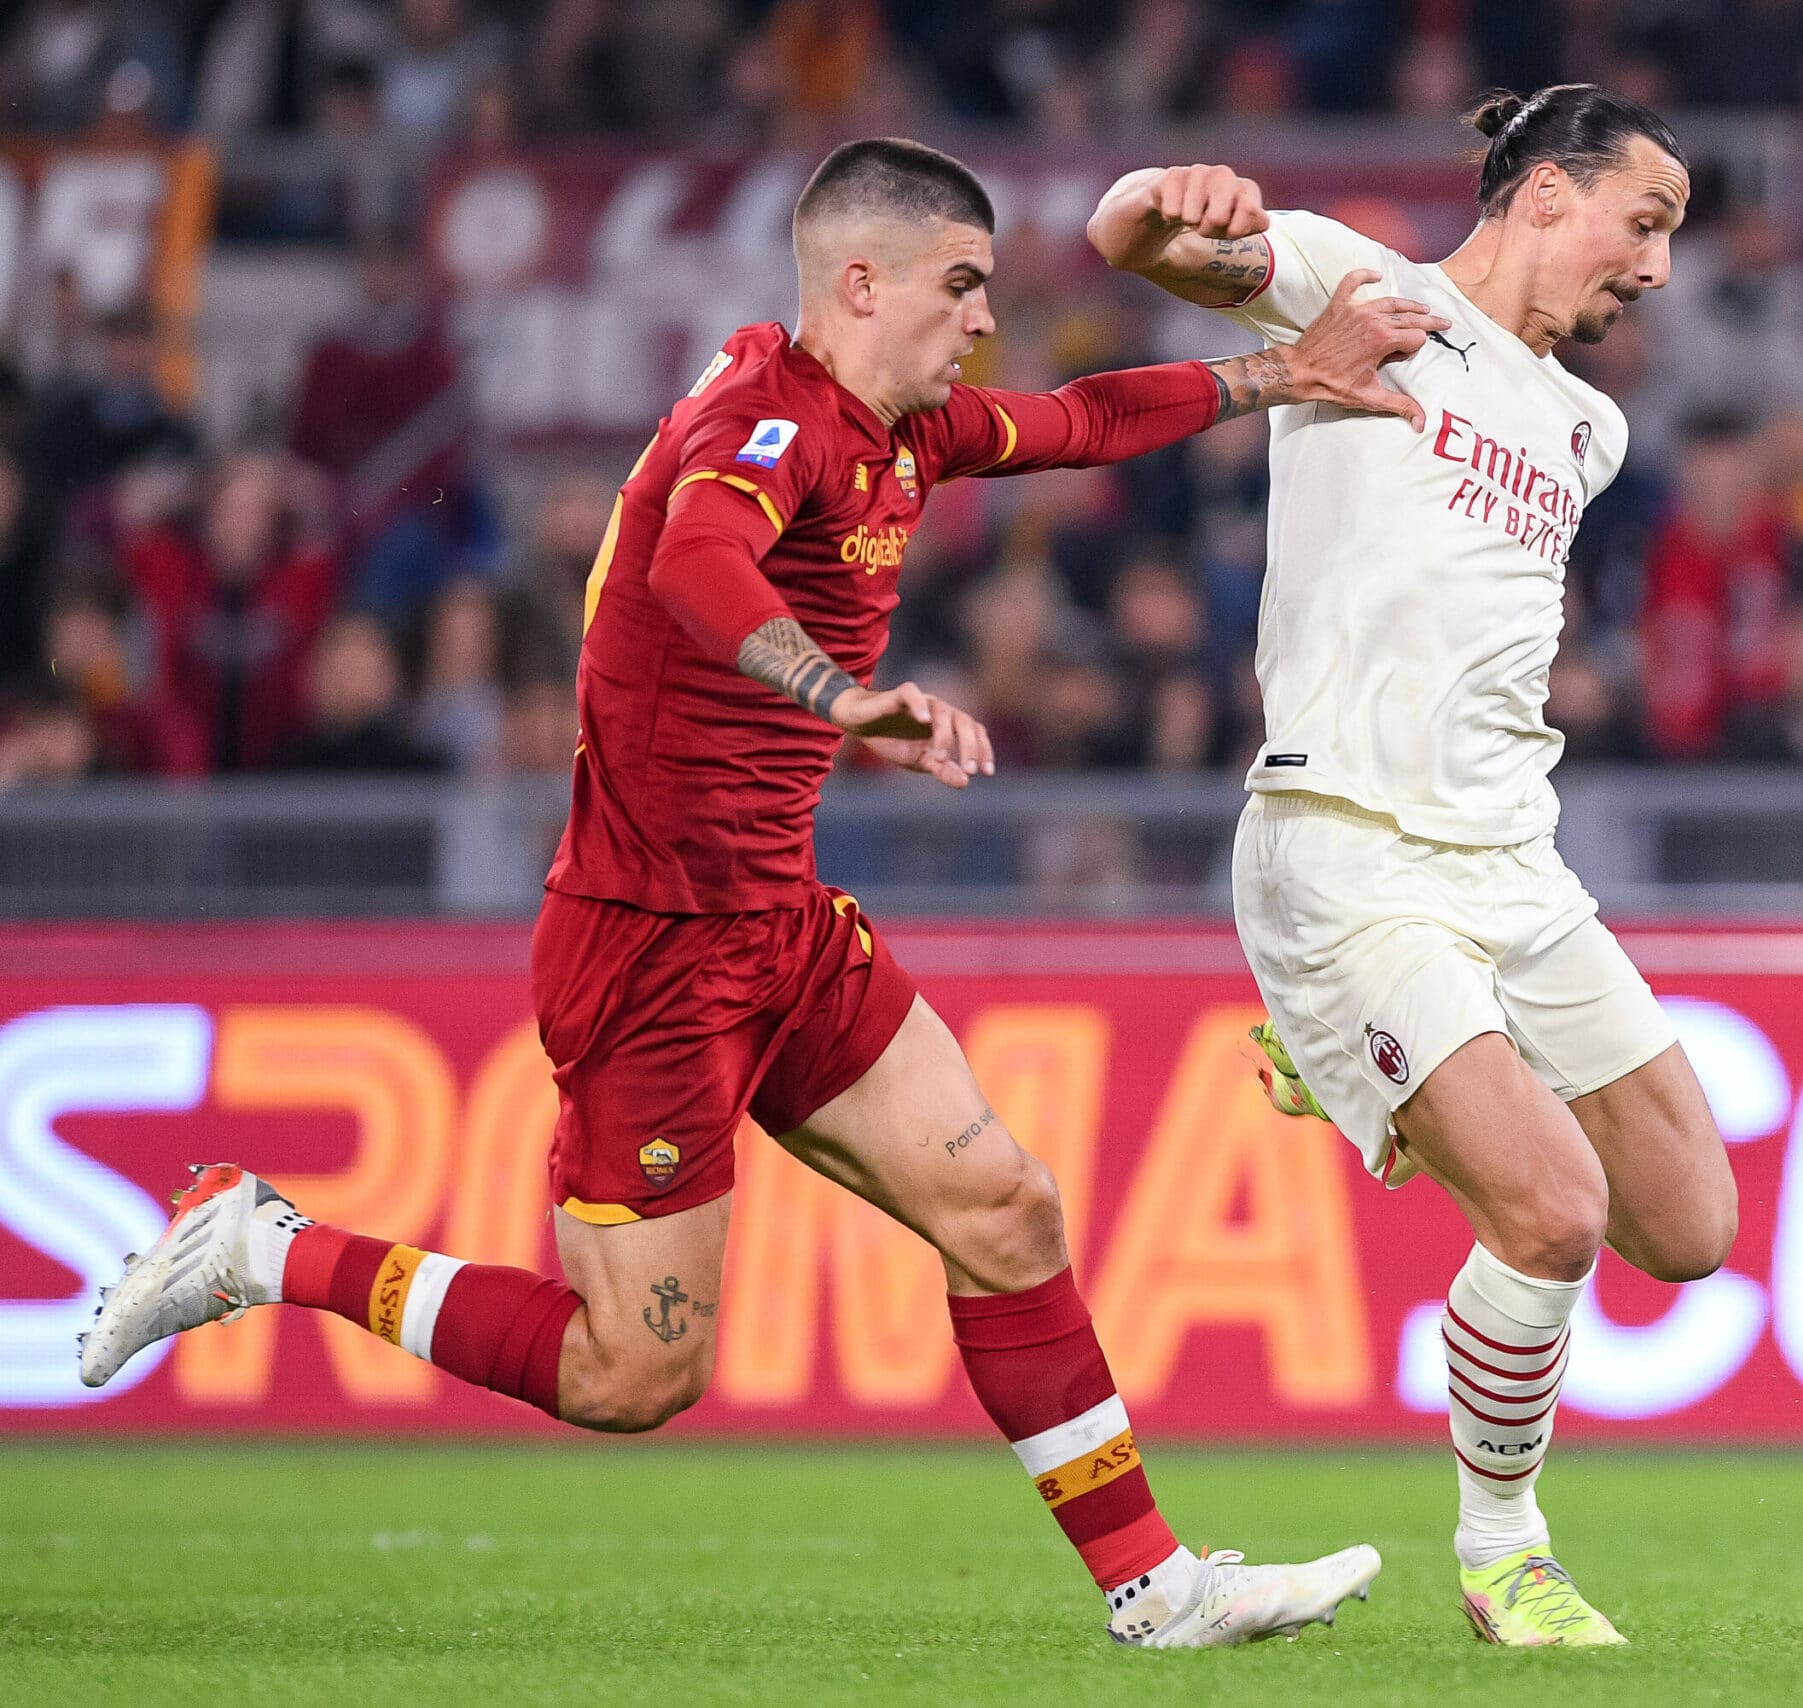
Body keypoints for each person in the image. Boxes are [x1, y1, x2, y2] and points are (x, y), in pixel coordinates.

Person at [83, 137, 1430, 1650]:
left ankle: (1155, 1587)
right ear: (861, 284)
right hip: (650, 951)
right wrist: (839, 696)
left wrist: (1285, 372)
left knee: (1005, 1208)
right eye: (961, 285)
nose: (985, 318)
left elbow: (1080, 418)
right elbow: (698, 563)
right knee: (633, 1377)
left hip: (779, 929)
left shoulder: (896, 429)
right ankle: (265, 1247)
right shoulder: (760, 425)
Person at [1091, 85, 1738, 1648]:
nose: (1658, 267)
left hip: (1513, 859)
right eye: (1645, 221)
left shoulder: (1591, 428)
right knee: (1554, 1215)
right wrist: (1163, 196)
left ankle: (1332, 1053)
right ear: (1545, 193)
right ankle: (1505, 1551)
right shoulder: (1361, 287)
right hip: (1348, 848)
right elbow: (1129, 237)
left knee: (1690, 1227)